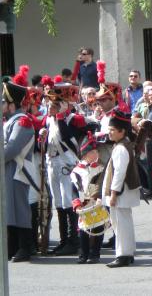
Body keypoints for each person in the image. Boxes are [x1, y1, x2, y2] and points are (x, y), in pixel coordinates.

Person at [43, 82, 86, 256]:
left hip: (67, 163)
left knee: (69, 201)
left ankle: (73, 241)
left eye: (54, 104)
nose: (50, 107)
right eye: (50, 104)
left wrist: (61, 117)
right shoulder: (49, 120)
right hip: (52, 162)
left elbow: (69, 140)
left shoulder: (73, 120)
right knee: (58, 202)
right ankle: (63, 241)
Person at [3, 66, 36, 262]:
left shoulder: (22, 122)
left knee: (20, 208)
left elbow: (12, 148)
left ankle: (25, 247)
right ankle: (12, 246)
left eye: (4, 102)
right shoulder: (11, 121)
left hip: (18, 169)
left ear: (11, 104)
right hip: (9, 168)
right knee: (9, 208)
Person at [103, 110, 141, 268]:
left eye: (113, 130)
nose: (110, 133)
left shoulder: (121, 148)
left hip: (121, 192)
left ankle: (123, 255)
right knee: (123, 222)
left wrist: (113, 194)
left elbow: (119, 173)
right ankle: (128, 252)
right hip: (122, 192)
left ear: (122, 131)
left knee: (120, 223)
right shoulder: (123, 144)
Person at [71, 135, 110, 264]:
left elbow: (103, 185)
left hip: (97, 202)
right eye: (92, 152)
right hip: (83, 203)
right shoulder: (77, 171)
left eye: (96, 151)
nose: (96, 154)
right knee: (83, 229)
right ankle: (84, 254)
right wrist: (76, 203)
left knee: (98, 227)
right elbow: (73, 189)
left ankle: (95, 254)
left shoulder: (101, 169)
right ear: (85, 154)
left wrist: (100, 198)